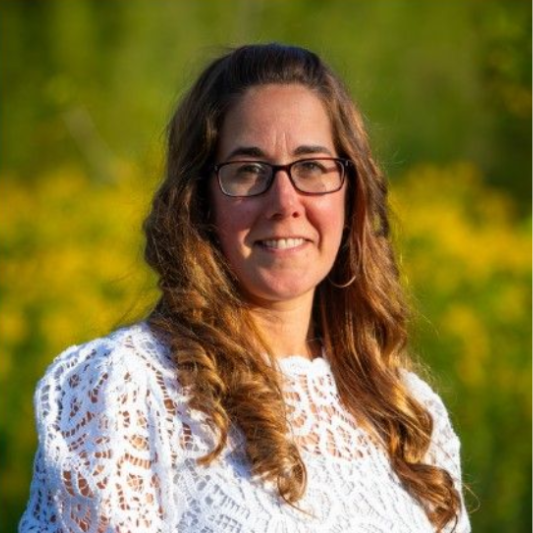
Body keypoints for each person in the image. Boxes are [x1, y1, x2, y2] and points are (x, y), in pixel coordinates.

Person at [20, 43, 470, 532]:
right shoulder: (129, 388)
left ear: (352, 191)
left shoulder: (409, 413)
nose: (284, 201)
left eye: (313, 166)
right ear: (200, 201)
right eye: (248, 170)